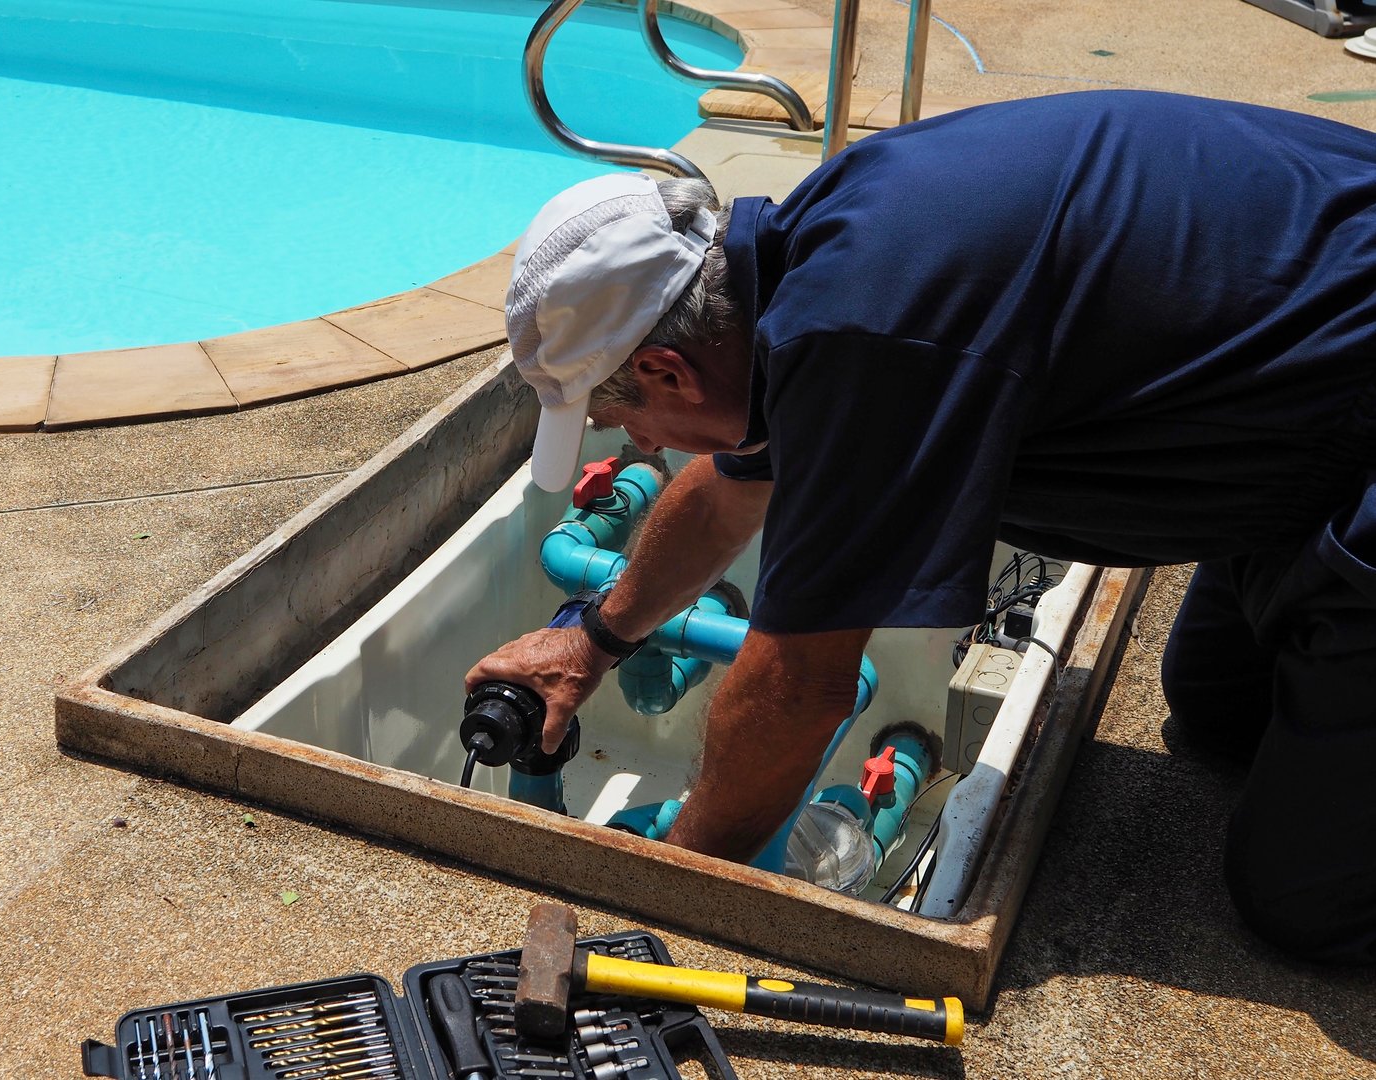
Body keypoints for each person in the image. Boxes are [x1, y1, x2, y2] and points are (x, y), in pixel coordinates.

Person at [466, 89, 1376, 965]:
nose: (637, 443)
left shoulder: (868, 337)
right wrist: (594, 638)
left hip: (1351, 441)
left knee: (1304, 906)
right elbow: (731, 484)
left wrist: (667, 892)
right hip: (1314, 403)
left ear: (669, 370)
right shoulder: (820, 253)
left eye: (626, 421)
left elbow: (799, 689)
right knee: (1220, 711)